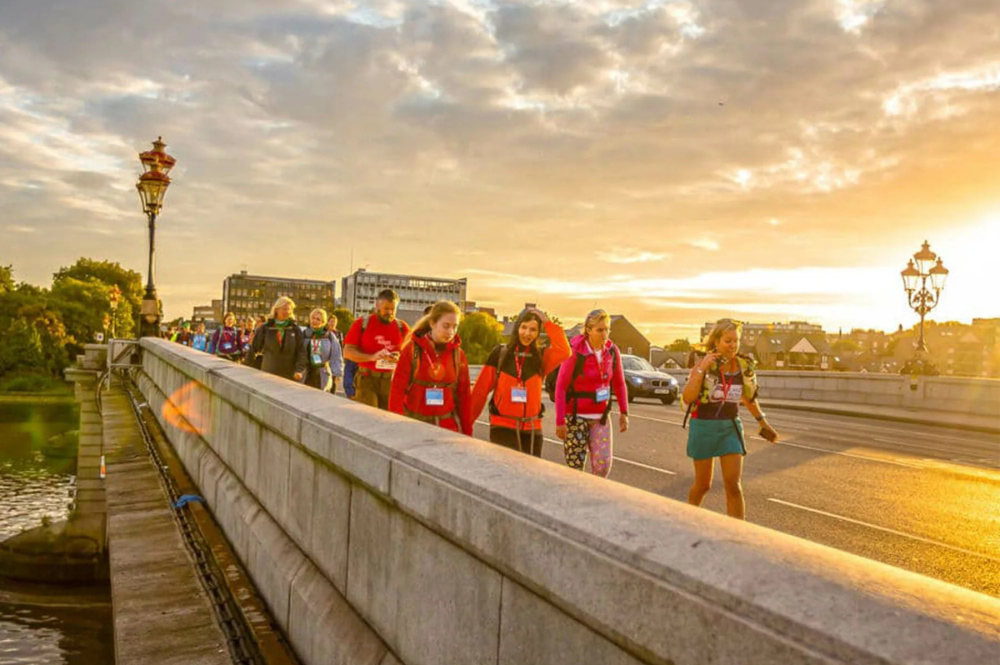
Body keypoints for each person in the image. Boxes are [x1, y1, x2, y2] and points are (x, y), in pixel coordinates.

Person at [681, 319, 779, 520]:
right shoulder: (702, 364)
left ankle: (738, 534)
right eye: (728, 341)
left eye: (736, 341)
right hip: (704, 426)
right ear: (716, 341)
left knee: (733, 485)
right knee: (703, 485)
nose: (732, 345)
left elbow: (749, 399)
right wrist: (701, 369)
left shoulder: (743, 366)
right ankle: (686, 521)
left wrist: (763, 423)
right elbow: (688, 398)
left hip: (730, 427)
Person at [470, 308, 570, 456]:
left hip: (532, 429)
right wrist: (467, 422)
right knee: (507, 475)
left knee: (530, 476)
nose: (527, 333)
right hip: (502, 427)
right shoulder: (500, 354)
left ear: (538, 333)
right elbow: (480, 391)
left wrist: (547, 322)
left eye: (533, 330)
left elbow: (564, 350)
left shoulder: (542, 357)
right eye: (523, 327)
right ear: (517, 327)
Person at [554, 309, 629, 477]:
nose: (605, 334)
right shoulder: (575, 351)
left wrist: (624, 412)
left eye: (607, 329)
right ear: (589, 330)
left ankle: (594, 499)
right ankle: (575, 500)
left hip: (600, 417)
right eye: (600, 330)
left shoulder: (612, 351)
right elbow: (561, 386)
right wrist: (560, 421)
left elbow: (619, 382)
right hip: (575, 416)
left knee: (602, 466)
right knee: (575, 469)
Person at [388, 301, 471, 435]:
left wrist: (467, 434)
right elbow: (396, 392)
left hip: (447, 429)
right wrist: (398, 429)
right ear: (432, 323)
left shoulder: (458, 356)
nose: (451, 332)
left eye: (455, 327)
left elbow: (464, 397)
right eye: (446, 326)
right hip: (415, 428)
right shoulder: (411, 350)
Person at [343, 289, 410, 409]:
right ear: (377, 305)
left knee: (388, 418)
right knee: (370, 416)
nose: (389, 312)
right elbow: (347, 352)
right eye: (385, 309)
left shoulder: (402, 327)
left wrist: (398, 358)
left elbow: (411, 356)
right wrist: (372, 357)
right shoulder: (362, 323)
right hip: (367, 379)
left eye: (392, 309)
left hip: (390, 380)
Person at [249, 297, 306, 381]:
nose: (287, 312)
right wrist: (247, 367)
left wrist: (299, 370)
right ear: (276, 309)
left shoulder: (295, 329)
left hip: (289, 375)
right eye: (284, 309)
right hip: (268, 373)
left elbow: (301, 352)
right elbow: (253, 349)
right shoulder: (266, 328)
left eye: (289, 309)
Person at [302, 308, 343, 392]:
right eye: (313, 318)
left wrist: (336, 374)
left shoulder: (329, 336)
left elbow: (336, 355)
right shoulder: (305, 334)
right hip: (306, 372)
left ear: (323, 322)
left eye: (318, 319)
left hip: (321, 373)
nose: (314, 321)